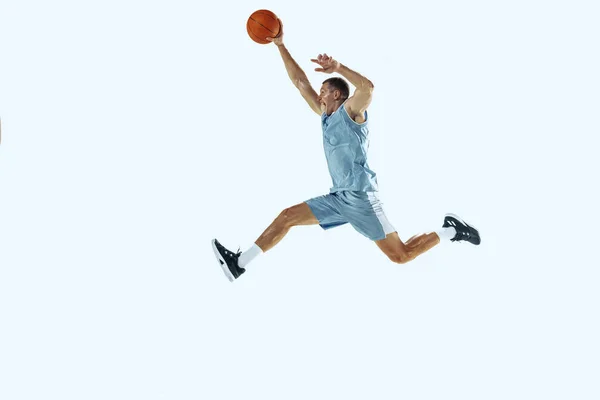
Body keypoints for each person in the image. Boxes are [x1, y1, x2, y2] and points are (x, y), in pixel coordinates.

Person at [211, 20, 480, 282]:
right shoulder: (324, 116)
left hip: (361, 198)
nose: (319, 94)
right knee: (287, 217)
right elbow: (300, 82)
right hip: (339, 197)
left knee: (401, 255)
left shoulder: (352, 112)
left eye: (324, 90)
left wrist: (338, 67)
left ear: (338, 95)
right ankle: (239, 264)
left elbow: (368, 88)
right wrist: (280, 45)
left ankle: (451, 231)